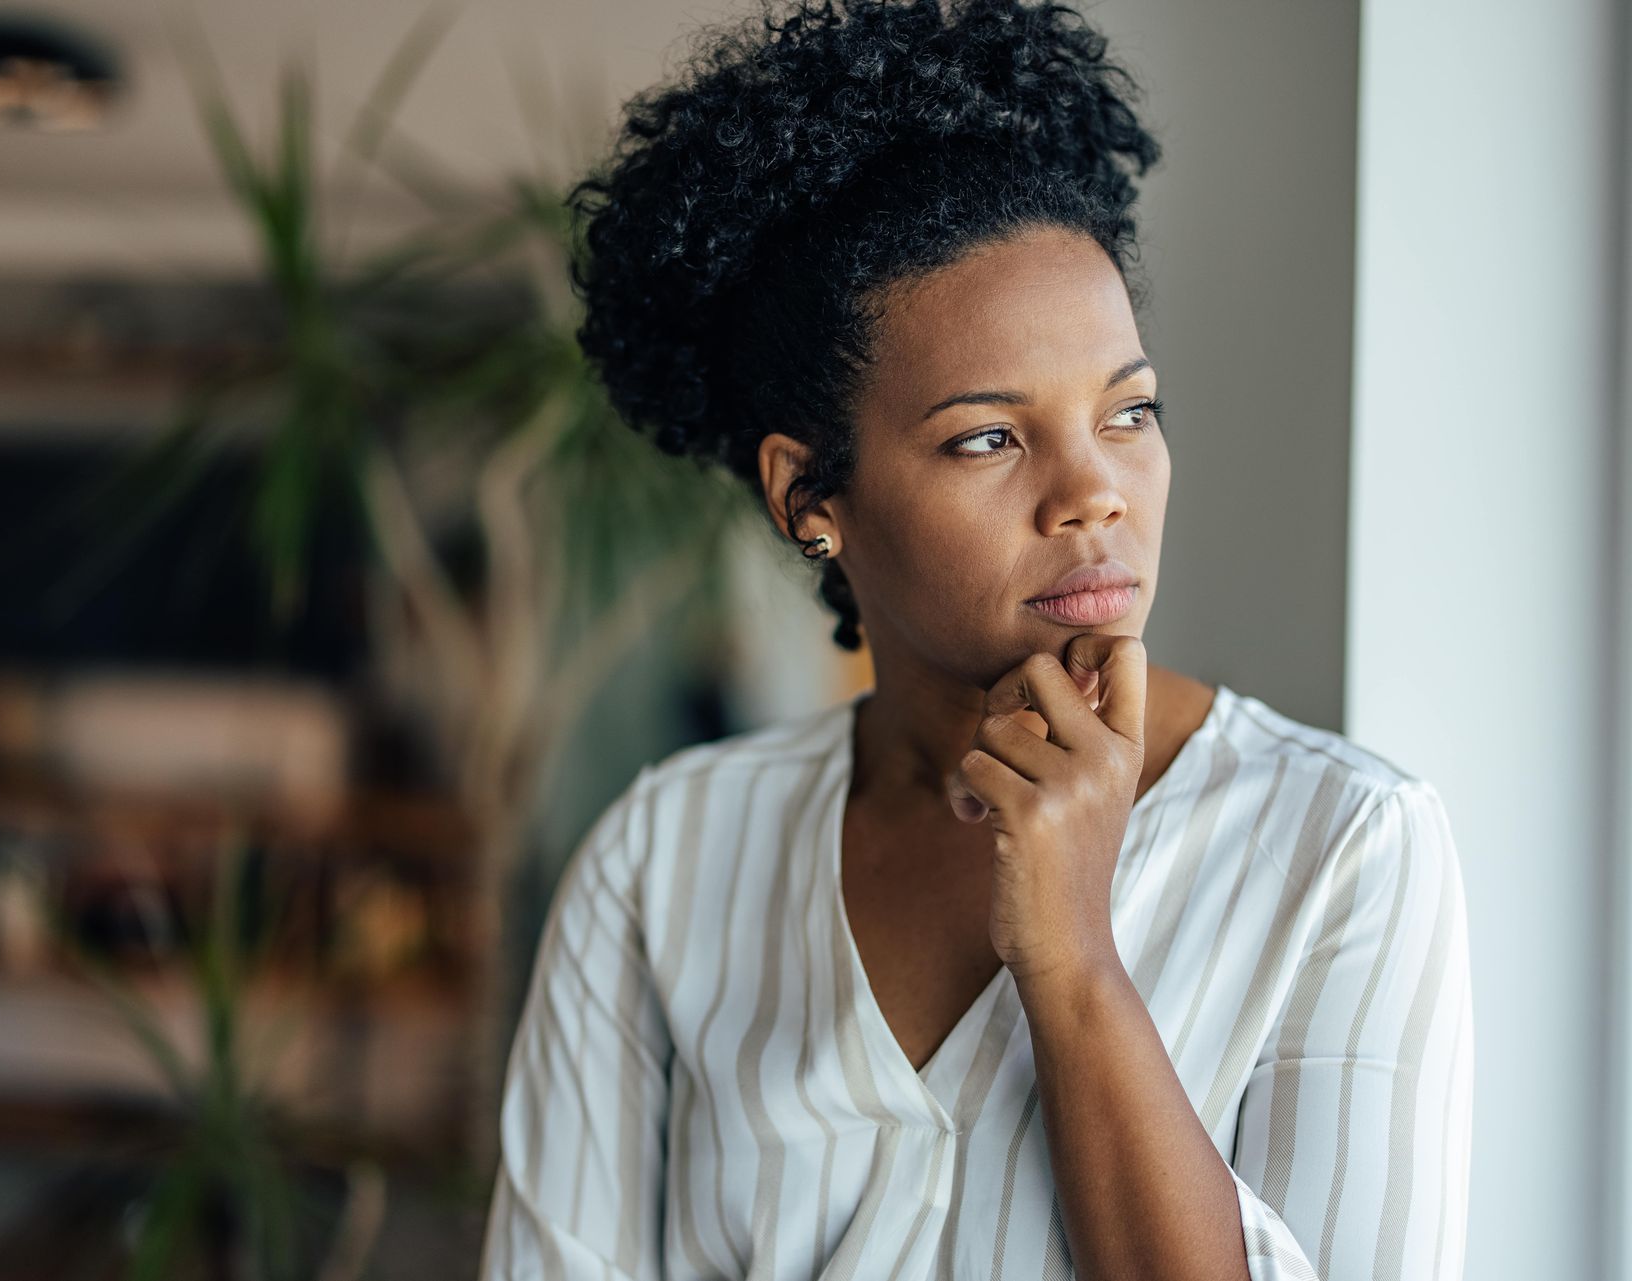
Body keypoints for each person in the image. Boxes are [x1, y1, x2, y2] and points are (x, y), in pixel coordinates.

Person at [477, 0, 1473, 1276]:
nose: (1093, 493)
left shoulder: (1344, 852)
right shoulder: (663, 867)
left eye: (1129, 411)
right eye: (988, 437)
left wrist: (1073, 964)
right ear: (808, 497)